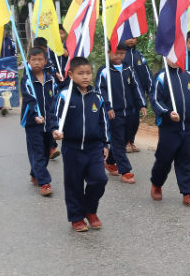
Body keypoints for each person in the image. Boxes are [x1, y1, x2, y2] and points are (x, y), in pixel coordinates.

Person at [52, 57, 110, 232]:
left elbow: (103, 122)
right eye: (81, 73)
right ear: (71, 74)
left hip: (94, 148)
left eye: (88, 73)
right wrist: (55, 130)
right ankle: (76, 217)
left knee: (100, 179)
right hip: (72, 148)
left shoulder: (97, 97)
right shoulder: (64, 95)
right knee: (74, 184)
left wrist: (105, 143)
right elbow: (55, 117)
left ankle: (90, 210)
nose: (85, 77)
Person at [150, 58, 190, 206]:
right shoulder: (161, 76)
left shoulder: (188, 75)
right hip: (170, 128)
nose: (175, 59)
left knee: (188, 159)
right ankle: (157, 183)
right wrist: (167, 113)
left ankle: (188, 193)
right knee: (164, 160)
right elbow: (155, 99)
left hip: (189, 127)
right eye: (171, 55)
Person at [97, 44, 143, 184]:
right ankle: (125, 171)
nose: (119, 56)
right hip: (114, 113)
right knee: (118, 140)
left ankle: (110, 161)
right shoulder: (104, 71)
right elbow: (100, 91)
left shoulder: (129, 69)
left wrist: (141, 104)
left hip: (130, 111)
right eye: (116, 53)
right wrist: (107, 106)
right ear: (109, 52)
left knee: (125, 138)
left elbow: (135, 87)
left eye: (122, 53)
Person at [20, 47, 58, 196]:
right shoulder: (26, 80)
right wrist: (35, 114)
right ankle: (45, 183)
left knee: (46, 150)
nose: (36, 62)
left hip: (49, 123)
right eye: (33, 60)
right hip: (32, 123)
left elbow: (55, 99)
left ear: (45, 61)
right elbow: (30, 98)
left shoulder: (51, 79)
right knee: (38, 152)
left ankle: (35, 174)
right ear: (28, 62)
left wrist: (56, 118)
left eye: (40, 59)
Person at [121, 36, 151, 153]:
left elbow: (147, 75)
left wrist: (150, 91)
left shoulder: (140, 56)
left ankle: (131, 140)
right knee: (126, 118)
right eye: (128, 37)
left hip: (138, 93)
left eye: (133, 37)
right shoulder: (121, 55)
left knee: (135, 120)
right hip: (124, 93)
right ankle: (124, 142)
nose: (131, 40)